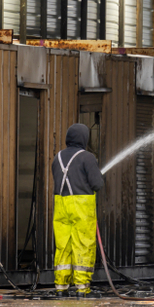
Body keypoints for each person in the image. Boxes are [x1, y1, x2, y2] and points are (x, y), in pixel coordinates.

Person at [51, 123, 104, 295]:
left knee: (63, 246)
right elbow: (97, 184)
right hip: (81, 206)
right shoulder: (87, 157)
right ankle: (82, 287)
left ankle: (61, 286)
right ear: (84, 138)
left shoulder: (57, 157)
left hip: (61, 206)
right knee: (83, 244)